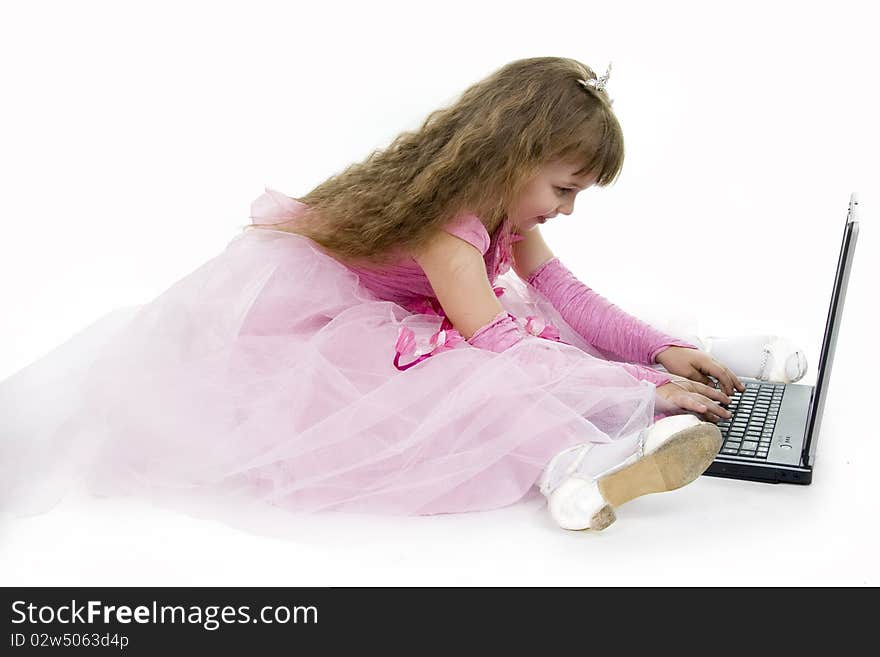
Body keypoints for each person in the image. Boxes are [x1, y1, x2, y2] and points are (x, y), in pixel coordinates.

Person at [0, 57, 806, 533]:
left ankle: (682, 378)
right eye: (563, 189)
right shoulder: (445, 225)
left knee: (550, 320)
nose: (564, 210)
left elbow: (561, 288)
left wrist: (656, 352)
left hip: (435, 317)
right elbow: (496, 344)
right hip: (314, 331)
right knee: (476, 379)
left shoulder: (499, 204)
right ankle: (579, 470)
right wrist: (641, 388)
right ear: (513, 158)